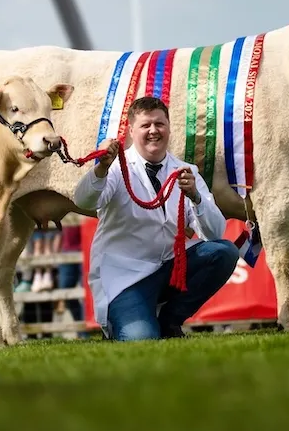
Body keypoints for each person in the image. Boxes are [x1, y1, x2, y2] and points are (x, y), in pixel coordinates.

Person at [73, 96, 239, 341]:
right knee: (140, 338)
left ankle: (170, 322)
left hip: (170, 269)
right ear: (131, 130)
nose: (153, 131)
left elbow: (215, 233)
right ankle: (127, 318)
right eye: (145, 125)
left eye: (160, 124)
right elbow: (84, 201)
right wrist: (100, 168)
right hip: (126, 277)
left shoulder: (186, 172)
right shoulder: (116, 169)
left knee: (224, 252)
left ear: (169, 127)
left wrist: (195, 197)